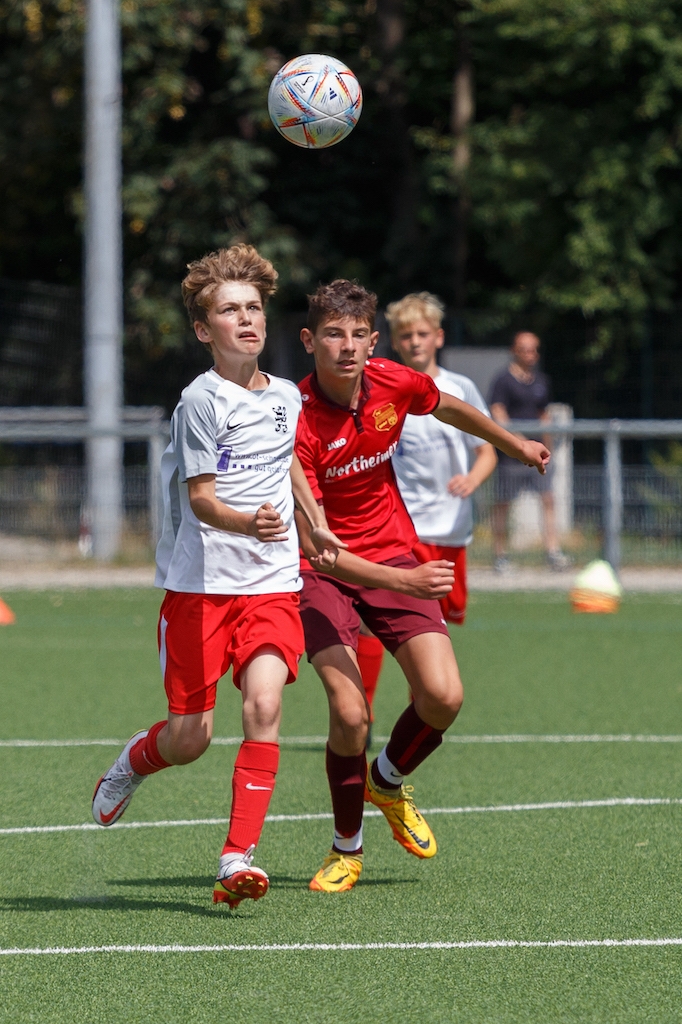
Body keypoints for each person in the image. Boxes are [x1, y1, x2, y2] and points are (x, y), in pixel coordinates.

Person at [91, 245, 346, 909]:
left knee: (264, 707)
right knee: (191, 739)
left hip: (271, 584)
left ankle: (237, 859)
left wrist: (313, 522)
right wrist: (250, 524)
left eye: (253, 307)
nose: (247, 319)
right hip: (201, 589)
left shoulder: (286, 396)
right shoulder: (198, 402)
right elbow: (202, 500)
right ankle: (133, 761)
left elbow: (288, 462)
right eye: (230, 311)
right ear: (205, 331)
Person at [294, 280, 550, 893]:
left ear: (373, 342)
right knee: (350, 714)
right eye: (333, 334)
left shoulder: (391, 382)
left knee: (443, 697)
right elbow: (320, 547)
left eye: (358, 334)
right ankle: (346, 849)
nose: (347, 346)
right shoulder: (293, 418)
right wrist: (404, 578)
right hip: (321, 571)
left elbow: (449, 407)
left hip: (391, 552)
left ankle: (386, 780)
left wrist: (512, 444)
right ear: (309, 341)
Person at [355, 293, 497, 725]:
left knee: (434, 632)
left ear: (438, 337)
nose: (414, 342)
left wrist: (472, 479)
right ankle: (361, 713)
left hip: (451, 532)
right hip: (402, 534)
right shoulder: (381, 389)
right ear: (394, 342)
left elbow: (486, 450)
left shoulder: (459, 388)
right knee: (373, 624)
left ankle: (421, 715)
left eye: (422, 333)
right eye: (405, 335)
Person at [488, 331, 571, 573]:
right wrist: (520, 443)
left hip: (537, 454)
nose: (529, 354)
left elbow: (544, 415)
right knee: (503, 504)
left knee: (548, 499)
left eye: (533, 349)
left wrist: (547, 447)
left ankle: (553, 552)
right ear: (514, 351)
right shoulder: (503, 380)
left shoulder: (541, 381)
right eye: (524, 349)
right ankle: (500, 556)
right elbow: (498, 413)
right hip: (511, 454)